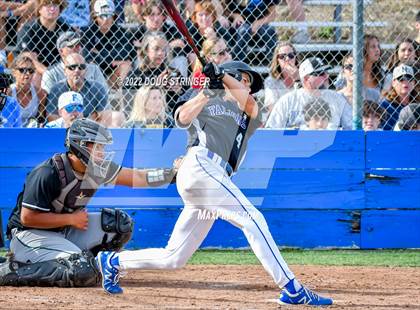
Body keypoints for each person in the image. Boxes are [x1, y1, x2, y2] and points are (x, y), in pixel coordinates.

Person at [95, 60, 333, 306]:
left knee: (174, 257)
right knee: (253, 220)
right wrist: (208, 92)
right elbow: (181, 118)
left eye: (249, 83)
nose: (247, 86)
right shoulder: (206, 97)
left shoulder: (246, 112)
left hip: (213, 179)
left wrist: (222, 75)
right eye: (243, 79)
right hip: (200, 166)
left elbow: (251, 104)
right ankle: (292, 288)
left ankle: (112, 262)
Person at [0, 118, 178, 287]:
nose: (102, 152)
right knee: (81, 269)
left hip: (63, 231)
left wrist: (174, 174)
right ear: (81, 146)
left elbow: (137, 177)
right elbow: (28, 218)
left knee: (119, 224)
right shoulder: (48, 172)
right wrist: (70, 220)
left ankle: (89, 264)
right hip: (29, 236)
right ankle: (12, 270)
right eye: (98, 146)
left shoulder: (98, 169)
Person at [265, 57, 352, 130]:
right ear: (306, 78)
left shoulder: (337, 99)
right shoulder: (288, 101)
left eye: (326, 72)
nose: (326, 76)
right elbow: (271, 130)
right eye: (320, 73)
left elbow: (352, 128)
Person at [82, 0, 135, 90]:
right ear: (96, 17)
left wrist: (99, 54)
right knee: (91, 65)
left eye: (109, 16)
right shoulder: (88, 32)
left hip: (112, 73)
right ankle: (96, 91)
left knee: (126, 66)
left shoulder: (120, 32)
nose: (106, 20)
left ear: (113, 17)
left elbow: (124, 52)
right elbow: (87, 56)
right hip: (96, 71)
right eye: (102, 16)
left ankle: (113, 91)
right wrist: (112, 58)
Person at [46, 53, 109, 121]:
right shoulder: (57, 89)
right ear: (65, 71)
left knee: (118, 117)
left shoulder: (97, 88)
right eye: (72, 67)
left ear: (86, 70)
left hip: (90, 128)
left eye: (81, 67)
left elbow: (103, 116)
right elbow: (51, 116)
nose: (77, 70)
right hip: (65, 128)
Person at [41, 31, 108, 94]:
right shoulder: (51, 73)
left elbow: (104, 95)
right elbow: (50, 102)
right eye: (72, 46)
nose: (78, 48)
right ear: (61, 51)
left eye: (79, 45)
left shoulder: (94, 69)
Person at [16, 0, 70, 67]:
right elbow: (30, 59)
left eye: (55, 5)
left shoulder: (65, 28)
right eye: (48, 5)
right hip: (37, 72)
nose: (52, 9)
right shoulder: (28, 29)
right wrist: (48, 74)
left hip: (61, 70)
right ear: (39, 9)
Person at [228, 0, 279, 65]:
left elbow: (273, 14)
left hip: (260, 26)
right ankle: (237, 63)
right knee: (244, 30)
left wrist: (258, 23)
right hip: (240, 27)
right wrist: (236, 16)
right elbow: (225, 10)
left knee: (269, 30)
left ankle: (272, 61)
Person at [264, 42, 299, 121]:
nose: (287, 59)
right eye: (282, 56)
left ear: (295, 58)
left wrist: (298, 79)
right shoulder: (270, 81)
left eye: (291, 56)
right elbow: (272, 108)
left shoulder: (304, 78)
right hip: (279, 121)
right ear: (277, 60)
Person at [9, 53, 47, 126]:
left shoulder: (40, 93)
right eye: (22, 70)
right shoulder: (8, 93)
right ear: (14, 72)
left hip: (32, 133)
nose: (27, 74)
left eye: (30, 70)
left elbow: (41, 120)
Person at [380, 64, 417, 130]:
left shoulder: (417, 106)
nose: (405, 82)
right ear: (393, 83)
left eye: (409, 78)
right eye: (401, 79)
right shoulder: (385, 106)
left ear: (413, 83)